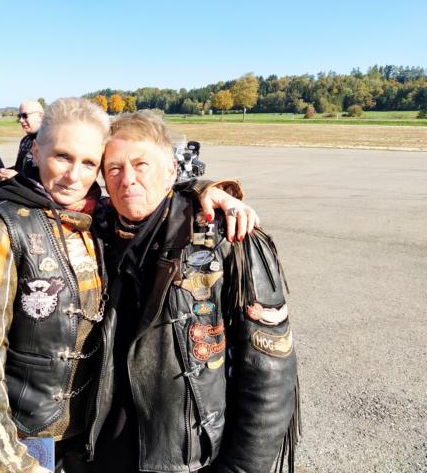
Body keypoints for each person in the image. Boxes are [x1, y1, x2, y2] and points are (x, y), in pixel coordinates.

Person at [0, 98, 259, 472]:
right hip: (32, 436)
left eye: (89, 163)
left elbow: (157, 194)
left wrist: (208, 191)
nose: (73, 176)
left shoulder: (100, 218)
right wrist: (6, 463)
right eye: (62, 157)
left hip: (95, 433)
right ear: (36, 151)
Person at [88, 110, 299, 472]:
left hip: (186, 459)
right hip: (101, 455)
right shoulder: (93, 233)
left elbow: (269, 377)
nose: (128, 179)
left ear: (171, 170)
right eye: (114, 169)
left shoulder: (230, 239)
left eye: (141, 165)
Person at [0, 99, 44, 181]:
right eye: (19, 116)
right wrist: (4, 172)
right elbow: (19, 169)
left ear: (40, 116)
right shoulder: (25, 140)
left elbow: (49, 175)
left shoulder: (50, 141)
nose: (21, 120)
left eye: (24, 116)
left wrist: (17, 175)